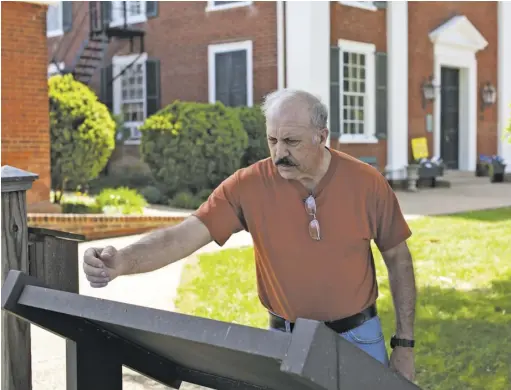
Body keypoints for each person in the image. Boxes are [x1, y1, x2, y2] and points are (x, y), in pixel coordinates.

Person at [83, 89, 417, 382]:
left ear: (322, 136)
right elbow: (183, 236)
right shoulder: (248, 186)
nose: (278, 152)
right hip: (285, 342)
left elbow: (398, 259)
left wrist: (404, 344)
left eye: (291, 141)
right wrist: (123, 261)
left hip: (359, 337)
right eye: (272, 140)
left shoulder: (366, 183)